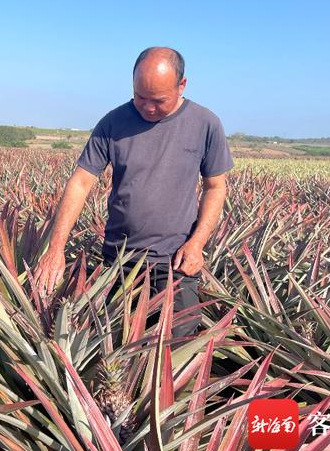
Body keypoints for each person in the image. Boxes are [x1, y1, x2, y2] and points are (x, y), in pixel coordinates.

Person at [32, 47, 234, 337]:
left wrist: (198, 243)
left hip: (175, 260)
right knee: (114, 348)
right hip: (119, 261)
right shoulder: (113, 123)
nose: (148, 108)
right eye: (140, 97)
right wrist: (55, 249)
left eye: (159, 101)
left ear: (182, 85)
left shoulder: (206, 124)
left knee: (177, 347)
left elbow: (216, 187)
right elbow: (80, 182)